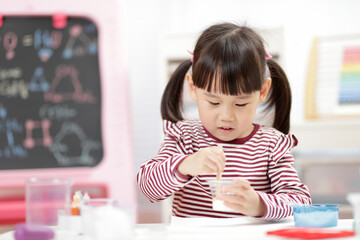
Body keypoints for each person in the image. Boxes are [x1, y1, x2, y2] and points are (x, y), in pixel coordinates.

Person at [137, 22, 311, 219]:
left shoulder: (271, 145)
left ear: (262, 91)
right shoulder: (184, 137)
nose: (226, 116)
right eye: (213, 102)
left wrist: (259, 205)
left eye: (241, 104)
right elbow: (147, 187)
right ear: (193, 88)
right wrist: (185, 165)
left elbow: (300, 201)